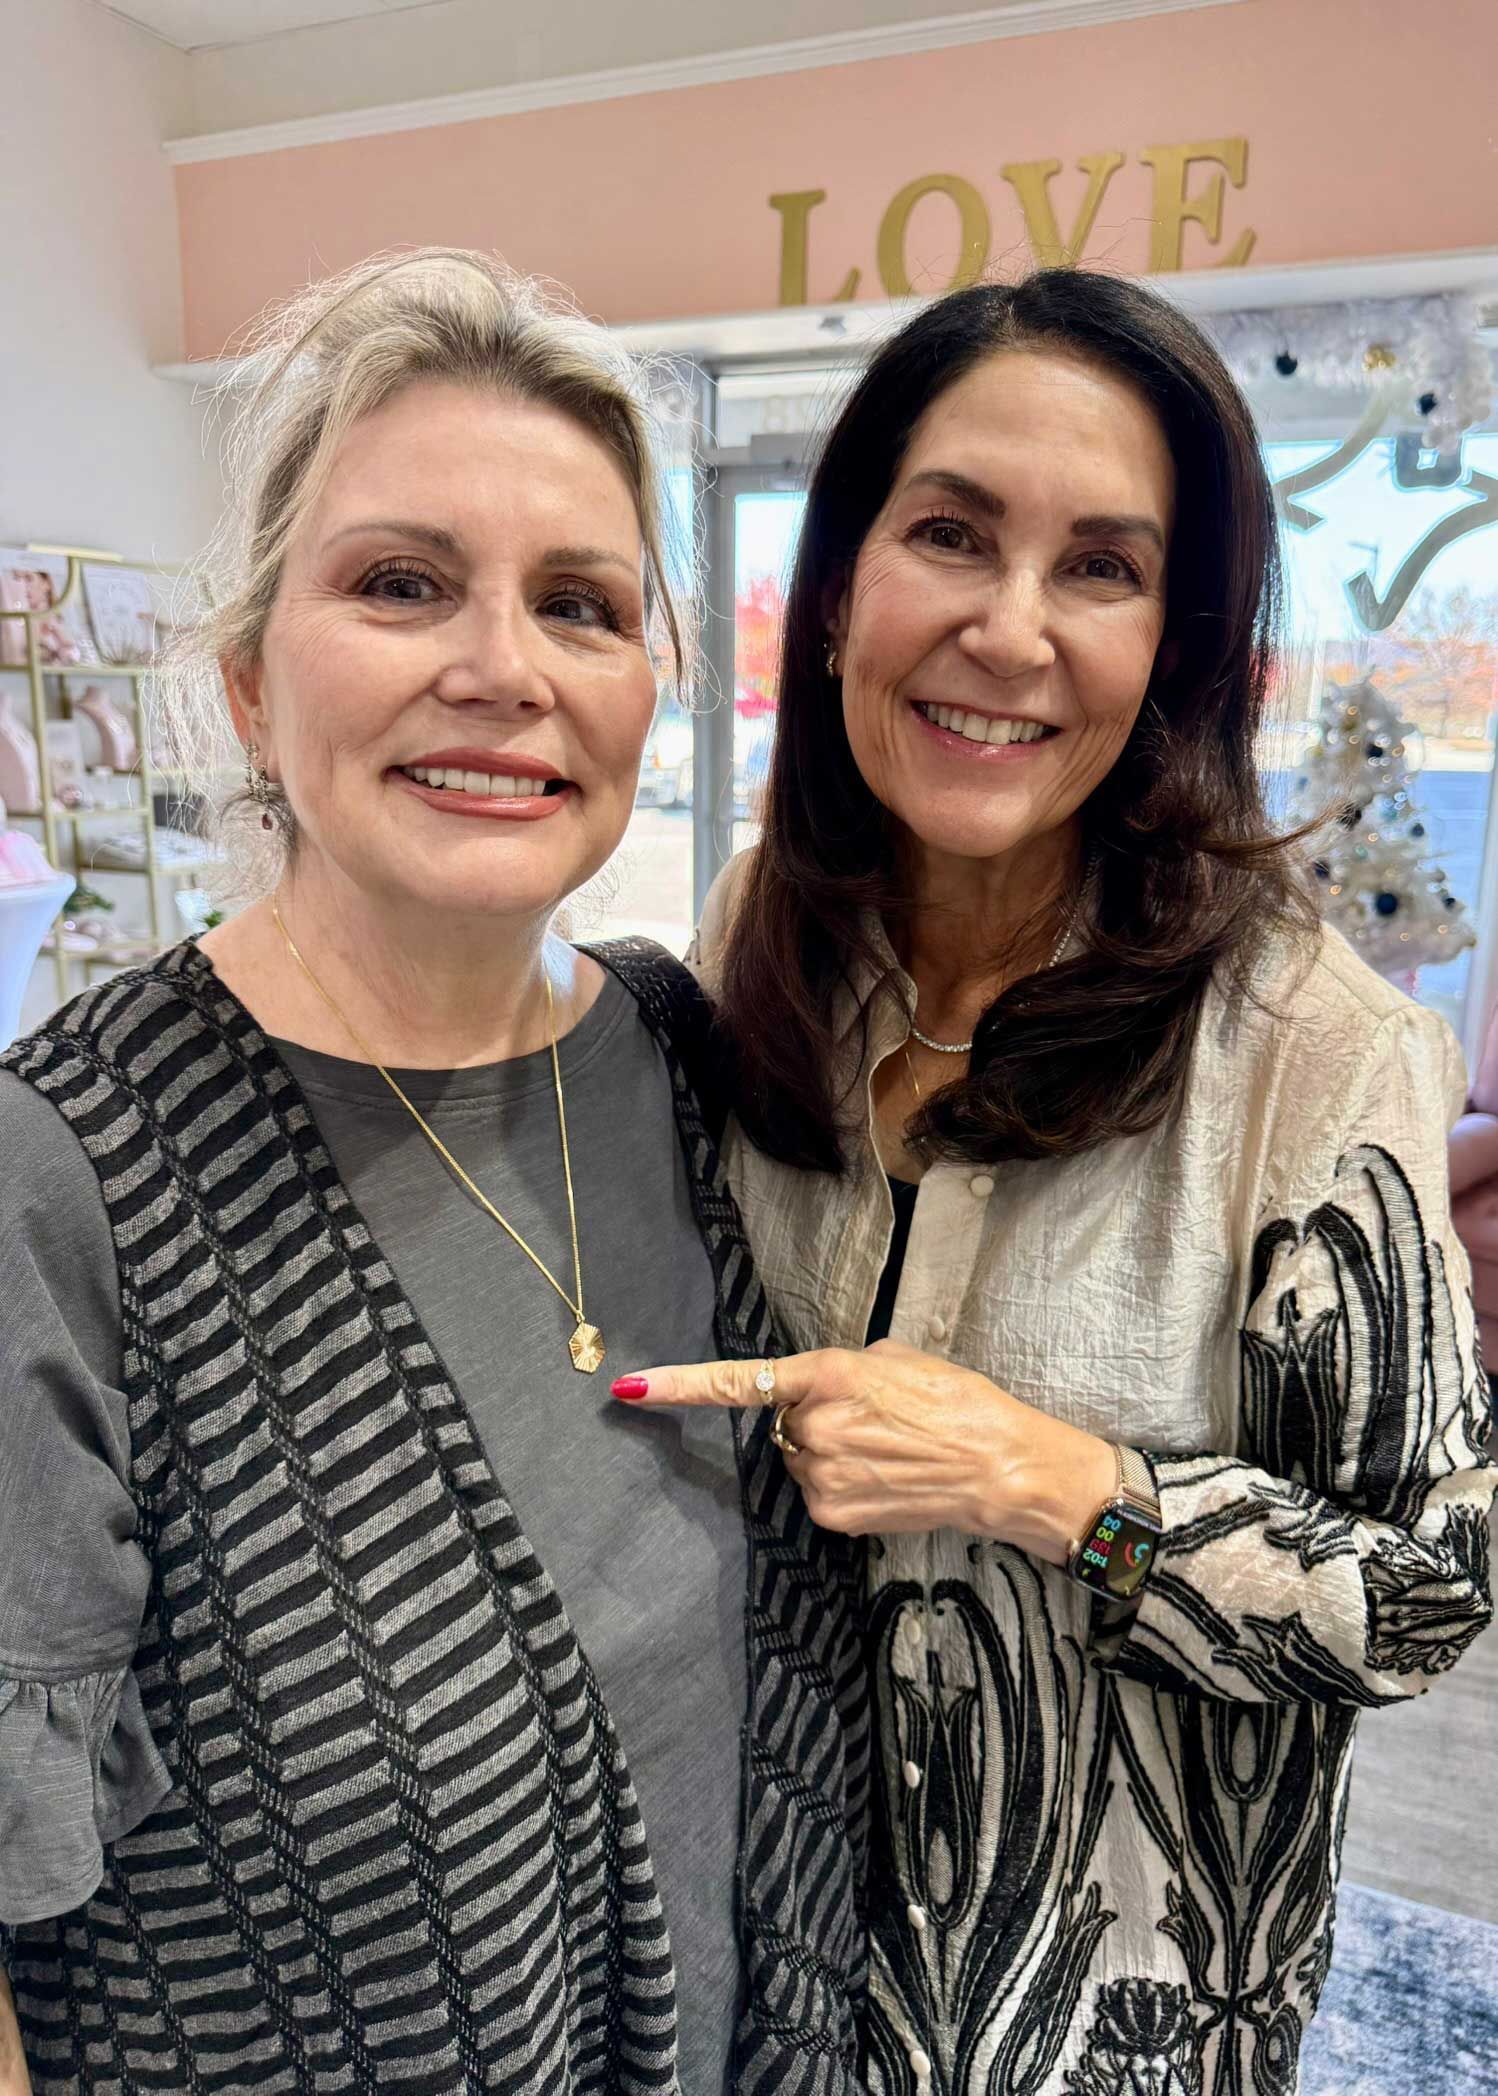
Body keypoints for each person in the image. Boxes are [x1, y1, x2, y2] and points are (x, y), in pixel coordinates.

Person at [0, 250, 868, 2096]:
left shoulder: (676, 1054)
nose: (499, 670)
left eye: (580, 603)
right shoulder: (56, 1178)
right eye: (400, 584)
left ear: (655, 687)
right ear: (243, 682)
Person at [618, 271, 1496, 2093]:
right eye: (949, 533)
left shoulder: (1307, 1051)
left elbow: (1424, 1596)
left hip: (1107, 2012)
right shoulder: (762, 938)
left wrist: (1056, 1482)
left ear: (1170, 643)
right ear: (843, 577)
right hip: (761, 1947)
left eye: (1097, 567)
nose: (1008, 632)